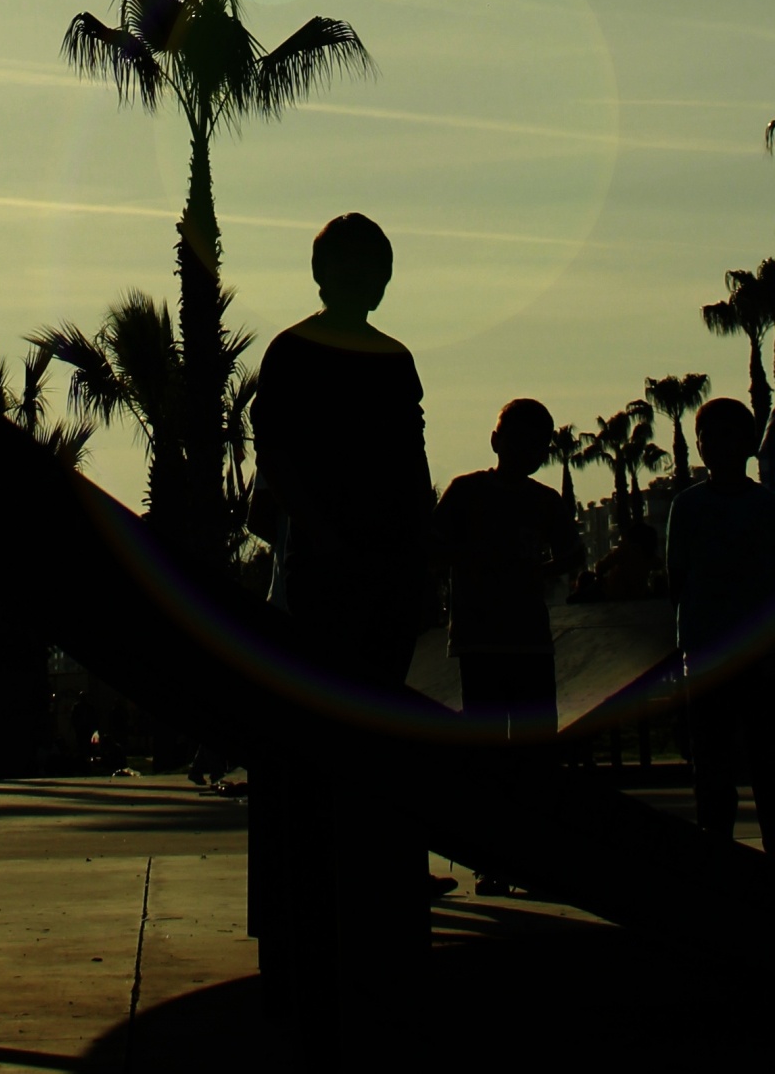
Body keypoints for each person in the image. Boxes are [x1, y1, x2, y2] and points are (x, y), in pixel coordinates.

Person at [248, 214, 433, 1037]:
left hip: (377, 571)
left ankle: (370, 902)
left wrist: (415, 560)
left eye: (377, 270)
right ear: (327, 276)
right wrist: (324, 539)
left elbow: (411, 465)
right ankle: (314, 912)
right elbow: (279, 457)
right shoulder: (297, 353)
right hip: (328, 575)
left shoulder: (391, 360)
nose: (371, 283)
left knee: (370, 737)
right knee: (322, 746)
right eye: (361, 269)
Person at [432, 398, 581, 748]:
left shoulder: (544, 501)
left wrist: (535, 573)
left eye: (535, 444)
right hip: (481, 639)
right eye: (519, 441)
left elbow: (573, 554)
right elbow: (433, 546)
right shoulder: (466, 492)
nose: (526, 451)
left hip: (525, 639)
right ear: (497, 441)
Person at [665, 395, 775, 849]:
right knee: (711, 764)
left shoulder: (766, 506)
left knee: (765, 757)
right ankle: (715, 850)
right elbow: (677, 580)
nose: (715, 444)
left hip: (761, 656)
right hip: (705, 652)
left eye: (727, 435)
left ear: (748, 443)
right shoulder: (688, 506)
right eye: (707, 436)